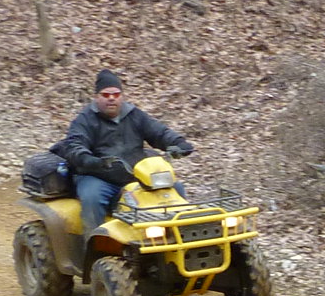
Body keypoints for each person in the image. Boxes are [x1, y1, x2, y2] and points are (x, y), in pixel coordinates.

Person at [22, 70, 195, 234]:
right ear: (96, 97)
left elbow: (159, 132)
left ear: (121, 96)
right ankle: (94, 242)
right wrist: (91, 161)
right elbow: (74, 145)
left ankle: (181, 235)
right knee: (92, 198)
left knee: (175, 188)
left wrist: (178, 143)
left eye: (116, 94)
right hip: (97, 175)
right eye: (105, 95)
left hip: (134, 174)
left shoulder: (134, 115)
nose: (111, 98)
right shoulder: (85, 119)